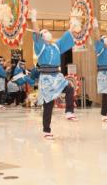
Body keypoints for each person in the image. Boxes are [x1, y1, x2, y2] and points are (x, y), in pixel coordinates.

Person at [30, 8, 78, 140]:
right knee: (48, 104)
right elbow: (35, 32)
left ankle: (69, 112)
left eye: (48, 31)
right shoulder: (40, 46)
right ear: (41, 36)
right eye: (44, 32)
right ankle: (46, 130)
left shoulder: (56, 46)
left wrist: (73, 24)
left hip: (57, 75)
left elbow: (67, 35)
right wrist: (33, 18)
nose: (47, 33)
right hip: (46, 77)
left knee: (69, 88)